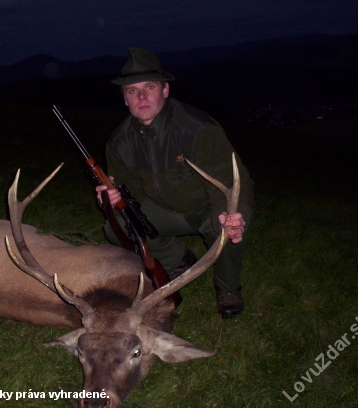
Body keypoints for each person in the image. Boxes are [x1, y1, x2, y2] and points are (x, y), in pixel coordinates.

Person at [96, 48, 254, 318]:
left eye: (150, 87)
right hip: (163, 209)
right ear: (125, 99)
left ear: (165, 91)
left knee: (227, 228)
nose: (142, 97)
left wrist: (232, 215)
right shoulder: (119, 141)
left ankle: (228, 288)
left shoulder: (197, 129)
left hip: (206, 207)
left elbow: (230, 182)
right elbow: (125, 188)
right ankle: (178, 259)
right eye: (133, 91)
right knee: (117, 227)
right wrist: (110, 199)